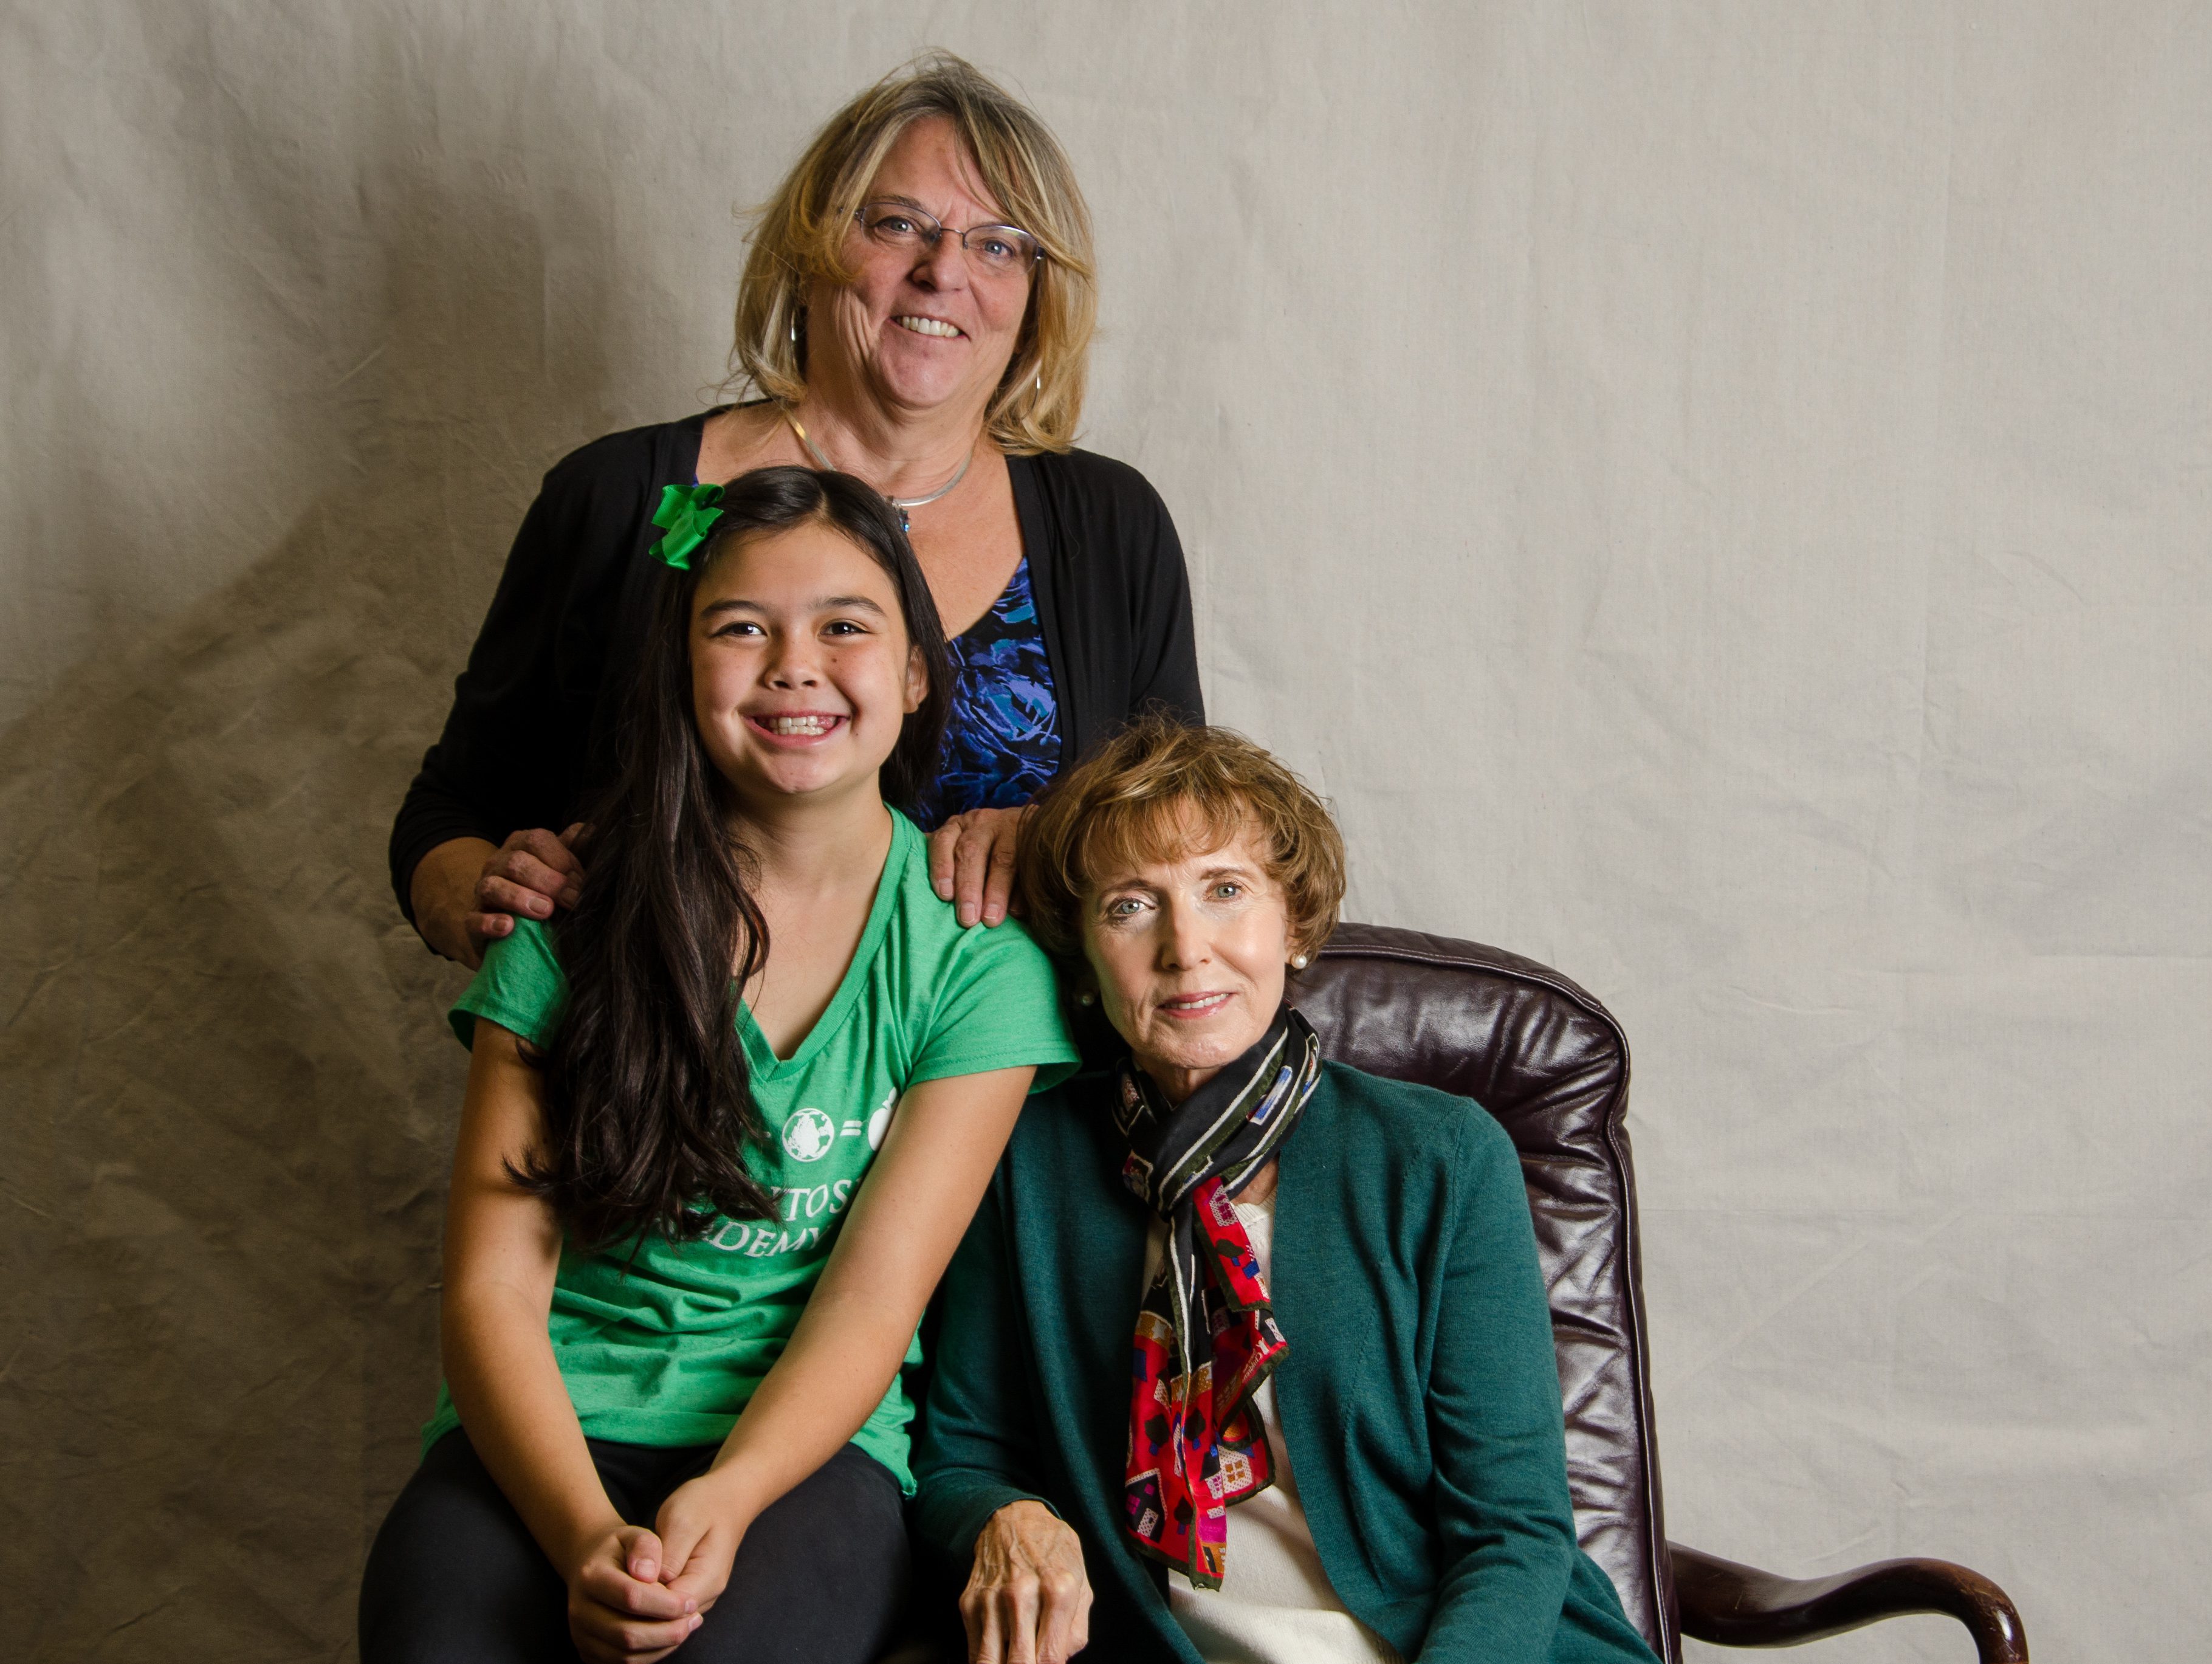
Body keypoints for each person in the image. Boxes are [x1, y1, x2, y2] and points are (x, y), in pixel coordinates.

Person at [359, 469, 1080, 1663]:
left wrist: (734, 1490)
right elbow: (491, 1291)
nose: (794, 664)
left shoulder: (971, 958)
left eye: (844, 625)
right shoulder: (570, 924)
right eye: (741, 627)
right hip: (550, 1430)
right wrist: (582, 1529)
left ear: (912, 671)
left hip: (804, 1444)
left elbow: (875, 1295)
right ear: (680, 670)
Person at [391, 52, 1203, 969]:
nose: (944, 271)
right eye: (900, 223)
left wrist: (1062, 843)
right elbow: (449, 813)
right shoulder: (623, 499)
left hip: (1029, 1096)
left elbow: (1189, 840)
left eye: (999, 243)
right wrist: (483, 898)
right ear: (810, 244)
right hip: (677, 1083)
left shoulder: (1110, 528)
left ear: (1036, 296)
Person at [911, 717, 1663, 1664]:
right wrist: (1009, 1514)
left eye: (1225, 891)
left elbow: (1513, 1530)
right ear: (1088, 960)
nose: (1187, 947)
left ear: (1295, 925)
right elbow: (961, 1454)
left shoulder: (1442, 1156)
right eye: (1132, 906)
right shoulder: (1024, 1157)